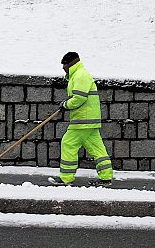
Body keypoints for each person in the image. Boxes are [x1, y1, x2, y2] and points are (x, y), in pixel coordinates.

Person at [48, 51, 114, 186]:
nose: (62, 68)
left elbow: (79, 98)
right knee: (98, 149)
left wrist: (65, 105)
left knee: (68, 143)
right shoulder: (79, 74)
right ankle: (106, 178)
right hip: (90, 120)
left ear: (70, 63)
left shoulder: (80, 75)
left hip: (83, 120)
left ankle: (66, 178)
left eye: (64, 65)